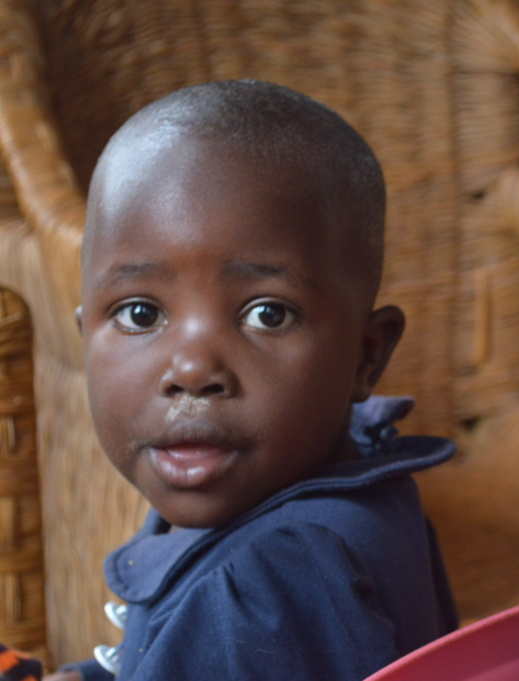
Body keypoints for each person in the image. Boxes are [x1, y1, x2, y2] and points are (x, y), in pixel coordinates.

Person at [49, 80, 458, 681]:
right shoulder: (331, 480)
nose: (191, 371)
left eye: (268, 313)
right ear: (86, 338)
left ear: (366, 357)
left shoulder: (262, 589)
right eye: (141, 313)